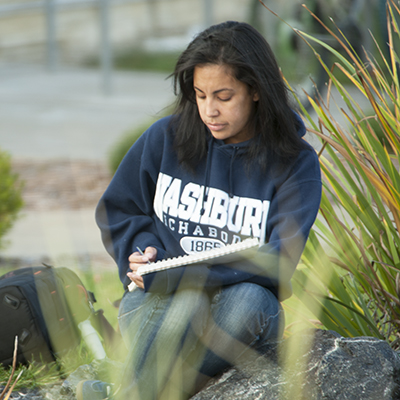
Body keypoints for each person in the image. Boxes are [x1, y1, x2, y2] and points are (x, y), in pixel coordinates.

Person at [93, 20, 322, 400]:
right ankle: (180, 387)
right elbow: (120, 209)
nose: (209, 110)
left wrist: (179, 273)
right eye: (200, 95)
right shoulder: (163, 139)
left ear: (256, 91)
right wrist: (143, 250)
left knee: (248, 299)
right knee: (183, 302)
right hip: (159, 299)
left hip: (242, 311)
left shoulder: (295, 164)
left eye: (223, 96)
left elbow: (278, 259)